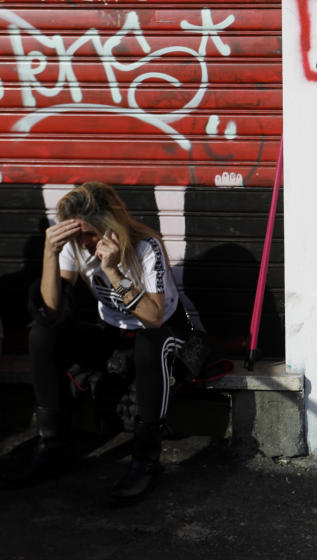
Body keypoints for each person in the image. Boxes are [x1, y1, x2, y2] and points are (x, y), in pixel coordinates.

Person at [12, 182, 187, 502]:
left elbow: (154, 317)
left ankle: (146, 459)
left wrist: (115, 273)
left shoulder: (146, 246)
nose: (86, 244)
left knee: (151, 341)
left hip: (159, 336)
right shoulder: (75, 242)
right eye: (78, 237)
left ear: (111, 226)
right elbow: (52, 312)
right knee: (43, 332)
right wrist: (50, 253)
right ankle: (53, 445)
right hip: (113, 335)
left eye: (91, 235)